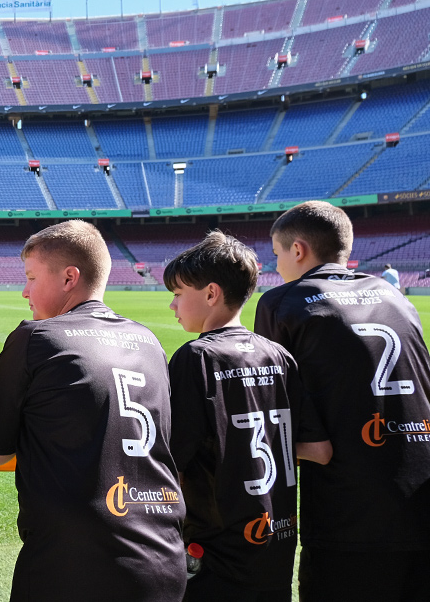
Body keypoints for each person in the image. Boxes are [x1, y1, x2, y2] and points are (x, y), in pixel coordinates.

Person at [0, 220, 186, 601]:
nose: (24, 291)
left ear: (69, 278)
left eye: (32, 277)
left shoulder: (36, 337)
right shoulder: (148, 340)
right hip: (163, 559)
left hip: (73, 566)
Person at [255, 201, 430, 600]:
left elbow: (277, 412)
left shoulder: (282, 302)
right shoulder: (394, 295)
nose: (277, 264)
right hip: (421, 503)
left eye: (278, 253)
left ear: (298, 250)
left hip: (349, 514)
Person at [164, 230, 329, 601]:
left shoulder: (196, 358)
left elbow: (171, 462)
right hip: (277, 542)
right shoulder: (279, 355)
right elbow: (319, 451)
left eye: (177, 295)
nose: (172, 307)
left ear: (210, 293)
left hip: (216, 549)